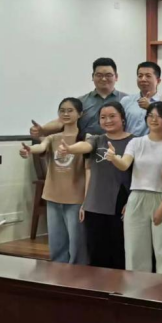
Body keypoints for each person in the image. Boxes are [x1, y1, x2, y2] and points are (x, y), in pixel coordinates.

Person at [60, 101, 133, 269]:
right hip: (96, 203)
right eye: (103, 117)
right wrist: (70, 149)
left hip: (121, 202)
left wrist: (131, 201)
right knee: (96, 251)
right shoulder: (97, 140)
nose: (108, 120)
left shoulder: (134, 141)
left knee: (119, 250)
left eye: (112, 116)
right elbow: (85, 146)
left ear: (122, 118)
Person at [107, 101, 162, 274]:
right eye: (150, 116)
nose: (153, 119)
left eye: (159, 116)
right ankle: (136, 288)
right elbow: (124, 164)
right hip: (137, 197)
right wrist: (114, 158)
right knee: (135, 250)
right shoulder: (136, 142)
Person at [19, 97, 87, 264]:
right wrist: (29, 150)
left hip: (76, 197)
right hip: (53, 195)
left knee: (77, 242)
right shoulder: (53, 138)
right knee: (57, 241)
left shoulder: (86, 137)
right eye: (62, 110)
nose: (65, 114)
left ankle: (77, 272)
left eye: (70, 110)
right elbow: (41, 147)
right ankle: (58, 271)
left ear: (80, 114)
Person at [30, 58, 128, 139]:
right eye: (99, 75)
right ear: (92, 77)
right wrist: (42, 129)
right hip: (86, 149)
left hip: (120, 148)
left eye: (108, 75)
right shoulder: (81, 102)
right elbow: (61, 121)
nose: (103, 79)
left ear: (116, 77)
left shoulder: (127, 100)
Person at [120, 62, 162, 137]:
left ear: (158, 81)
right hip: (128, 142)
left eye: (148, 76)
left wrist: (150, 108)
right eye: (140, 76)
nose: (143, 79)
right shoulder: (126, 101)